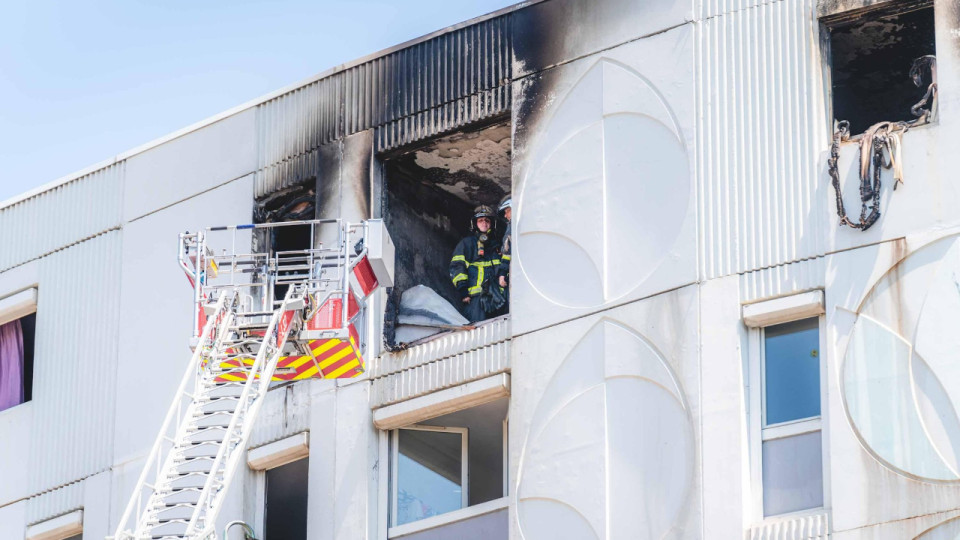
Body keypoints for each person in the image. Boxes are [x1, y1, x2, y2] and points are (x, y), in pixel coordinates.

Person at [449, 205, 504, 322]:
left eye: (487, 220)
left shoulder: (497, 247)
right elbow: (457, 267)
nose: (484, 223)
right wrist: (463, 291)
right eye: (480, 220)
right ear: (475, 224)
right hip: (475, 300)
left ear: (491, 224)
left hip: (497, 299)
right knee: (478, 332)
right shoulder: (467, 244)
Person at [497, 195, 511, 289]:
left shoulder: (513, 226)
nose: (505, 215)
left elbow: (507, 251)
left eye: (507, 211)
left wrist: (502, 274)